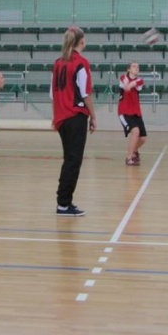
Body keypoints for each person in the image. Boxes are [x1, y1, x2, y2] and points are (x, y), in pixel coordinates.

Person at [51, 26, 97, 216]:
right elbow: (85, 94)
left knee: (69, 159)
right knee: (73, 160)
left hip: (61, 118)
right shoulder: (81, 63)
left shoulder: (57, 63)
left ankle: (63, 201)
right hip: (75, 116)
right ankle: (63, 203)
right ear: (82, 41)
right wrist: (93, 116)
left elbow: (52, 94)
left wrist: (56, 116)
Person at [118, 62, 148, 166]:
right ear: (128, 69)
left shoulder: (140, 80)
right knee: (135, 131)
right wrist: (127, 85)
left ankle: (134, 150)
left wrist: (129, 85)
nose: (137, 68)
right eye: (134, 66)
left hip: (136, 112)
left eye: (138, 67)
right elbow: (125, 83)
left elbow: (131, 85)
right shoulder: (123, 77)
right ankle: (129, 157)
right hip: (124, 111)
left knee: (143, 138)